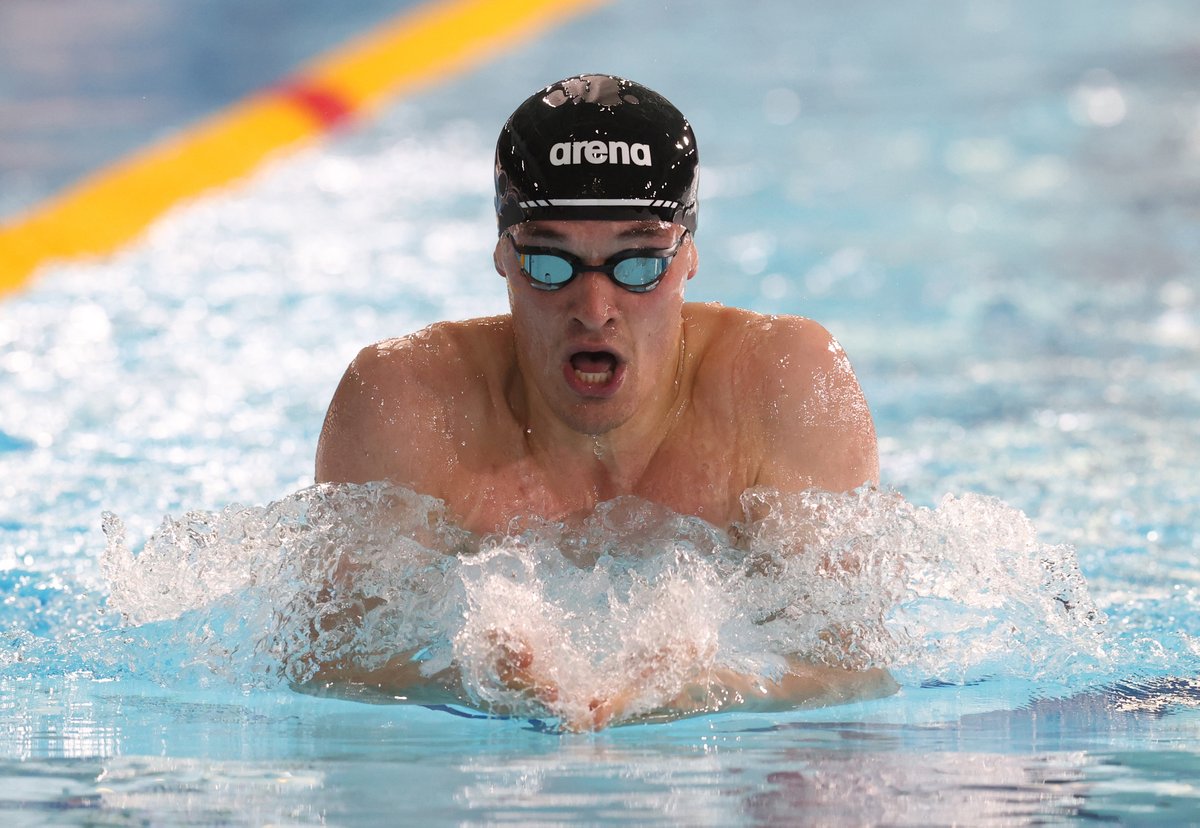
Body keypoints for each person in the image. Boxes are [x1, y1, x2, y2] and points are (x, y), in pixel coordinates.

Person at [313, 74, 891, 729]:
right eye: (551, 265)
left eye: (638, 263)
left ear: (689, 255)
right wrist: (472, 678)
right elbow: (330, 665)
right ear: (503, 254)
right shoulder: (407, 404)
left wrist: (719, 686)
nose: (594, 311)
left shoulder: (784, 387)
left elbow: (853, 667)